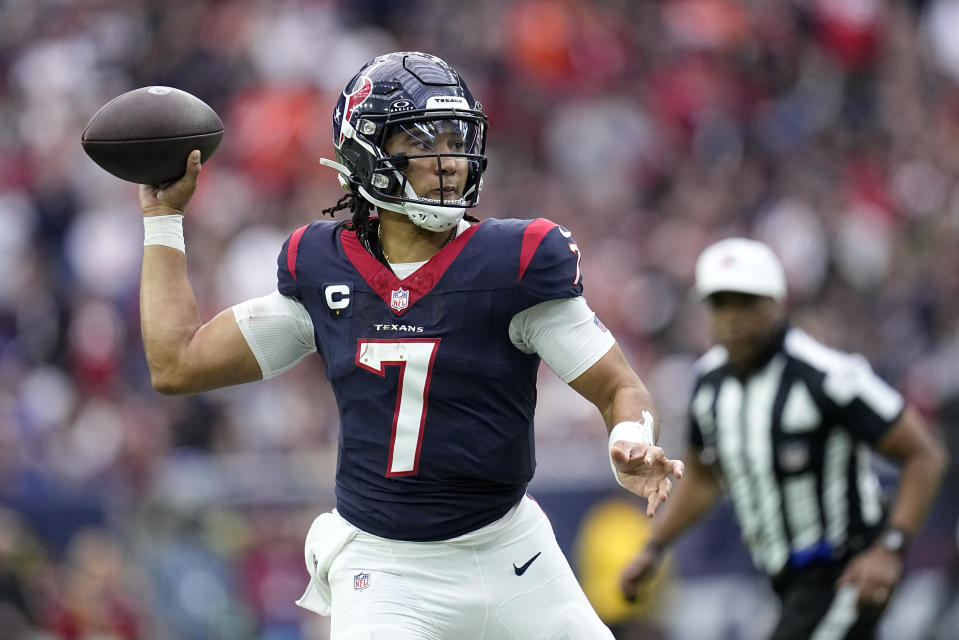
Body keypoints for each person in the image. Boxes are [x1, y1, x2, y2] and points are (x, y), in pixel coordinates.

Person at [136, 51, 683, 638]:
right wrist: (164, 219)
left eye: (456, 138)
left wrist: (630, 437)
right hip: (387, 566)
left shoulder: (513, 264)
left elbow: (619, 387)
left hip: (510, 550)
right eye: (424, 143)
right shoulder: (323, 270)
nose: (448, 162)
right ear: (368, 155)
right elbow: (178, 363)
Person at [619, 238, 949, 639]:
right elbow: (706, 477)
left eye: (747, 302)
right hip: (783, 580)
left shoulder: (829, 376)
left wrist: (890, 549)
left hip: (845, 571)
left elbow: (924, 454)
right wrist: (654, 548)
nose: (733, 318)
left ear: (776, 302)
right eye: (721, 304)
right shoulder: (709, 384)